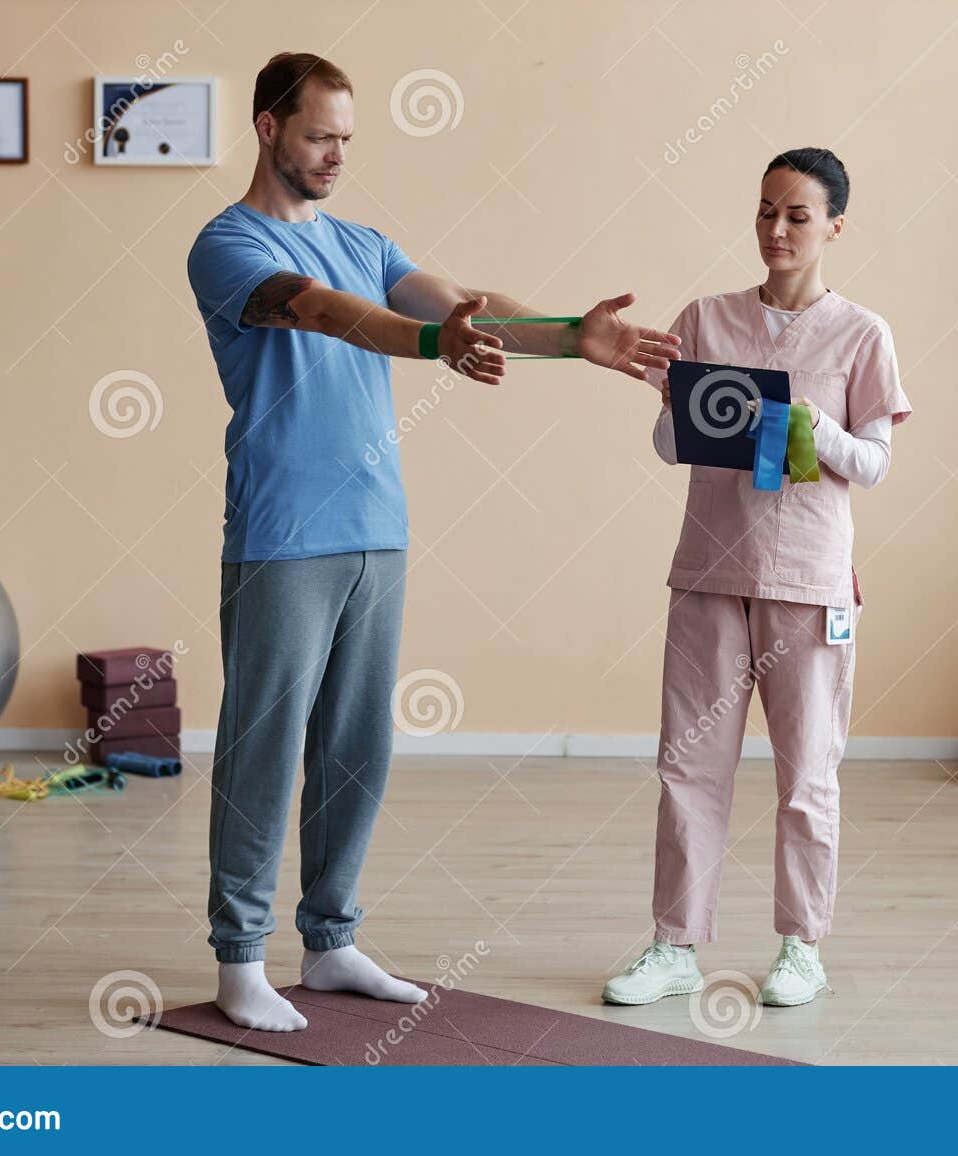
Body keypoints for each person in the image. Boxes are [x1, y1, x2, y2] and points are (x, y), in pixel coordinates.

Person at [187, 52, 680, 1032]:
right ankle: (241, 957)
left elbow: (459, 304)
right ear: (268, 129)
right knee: (263, 744)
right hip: (283, 535)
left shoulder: (365, 239)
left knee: (356, 746)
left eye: (346, 139)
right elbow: (329, 314)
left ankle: (328, 942)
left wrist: (568, 334)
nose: (334, 155)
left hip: (377, 526)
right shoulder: (226, 244)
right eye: (319, 134)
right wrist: (433, 347)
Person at [603, 147, 911, 1009]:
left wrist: (814, 424)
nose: (777, 229)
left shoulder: (863, 335)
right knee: (688, 765)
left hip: (809, 581)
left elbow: (876, 463)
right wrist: (679, 408)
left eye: (798, 216)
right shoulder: (705, 318)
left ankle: (800, 947)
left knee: (807, 773)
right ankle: (674, 945)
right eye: (766, 211)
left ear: (834, 228)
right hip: (709, 570)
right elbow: (670, 449)